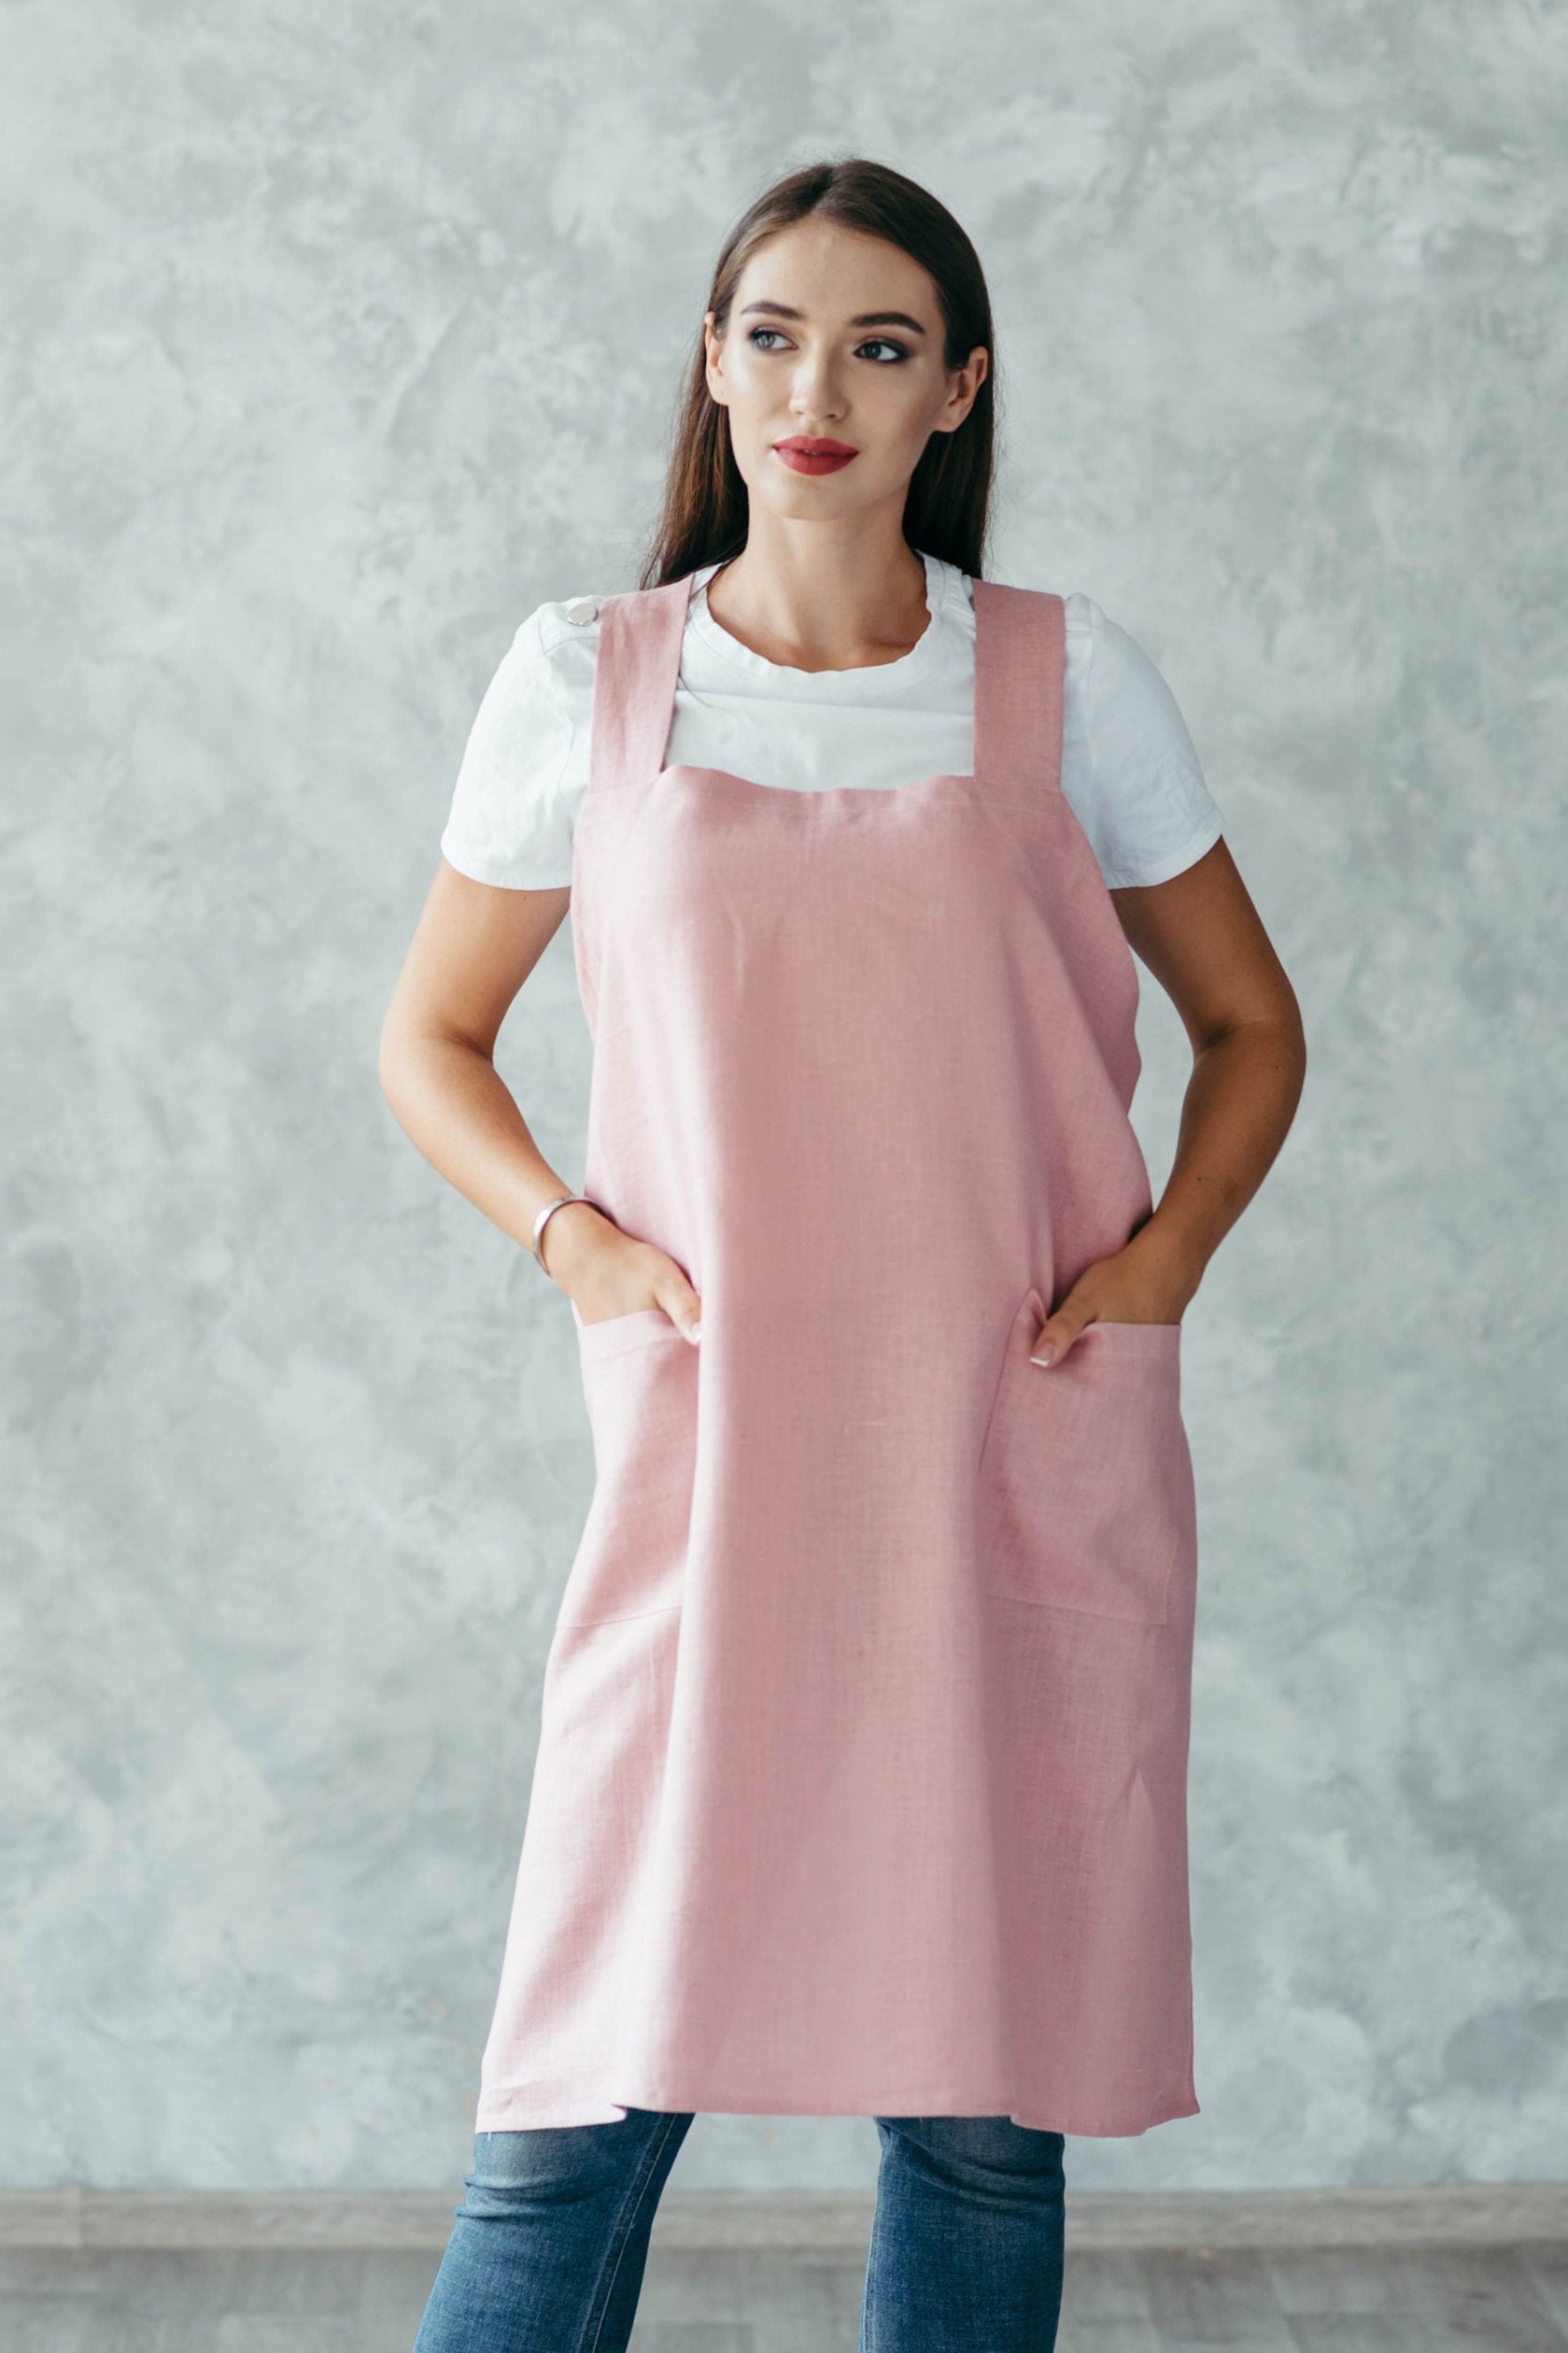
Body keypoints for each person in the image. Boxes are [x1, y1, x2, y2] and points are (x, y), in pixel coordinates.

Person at [380, 156, 1306, 2353]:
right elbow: (426, 1033)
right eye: (775, 334)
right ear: (714, 365)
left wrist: (1167, 1255)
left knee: (977, 2105)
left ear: (954, 391)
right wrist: (571, 1238)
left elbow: (1252, 1024)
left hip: (1006, 1447)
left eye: (882, 345)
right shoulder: (589, 682)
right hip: (711, 1459)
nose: (818, 386)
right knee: (578, 2094)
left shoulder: (1063, 684)